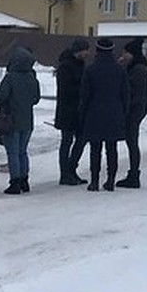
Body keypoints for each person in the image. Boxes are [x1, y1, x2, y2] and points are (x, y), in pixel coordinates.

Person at [79, 37, 130, 192]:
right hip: (114, 113)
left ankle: (94, 181)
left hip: (94, 113)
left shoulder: (90, 69)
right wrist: (123, 113)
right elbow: (126, 94)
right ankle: (110, 181)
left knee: (95, 149)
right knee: (111, 148)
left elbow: (84, 95)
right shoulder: (119, 70)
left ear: (97, 50)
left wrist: (82, 114)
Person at [0, 46, 41, 194]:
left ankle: (15, 182)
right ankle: (24, 180)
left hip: (11, 120)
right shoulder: (32, 77)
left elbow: (0, 97)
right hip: (27, 120)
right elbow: (35, 99)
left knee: (12, 152)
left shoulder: (10, 78)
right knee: (22, 152)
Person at [54, 37, 91, 185]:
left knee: (81, 140)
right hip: (68, 111)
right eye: (86, 50)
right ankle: (65, 173)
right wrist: (83, 89)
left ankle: (71, 169)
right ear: (78, 51)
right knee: (67, 142)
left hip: (79, 110)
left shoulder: (80, 64)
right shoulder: (66, 66)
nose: (88, 53)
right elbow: (66, 90)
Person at [117, 38, 147, 188]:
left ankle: (134, 174)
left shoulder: (138, 69)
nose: (123, 55)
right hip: (136, 108)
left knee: (132, 142)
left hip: (134, 109)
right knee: (132, 141)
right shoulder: (135, 67)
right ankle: (133, 173)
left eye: (126, 52)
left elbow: (132, 91)